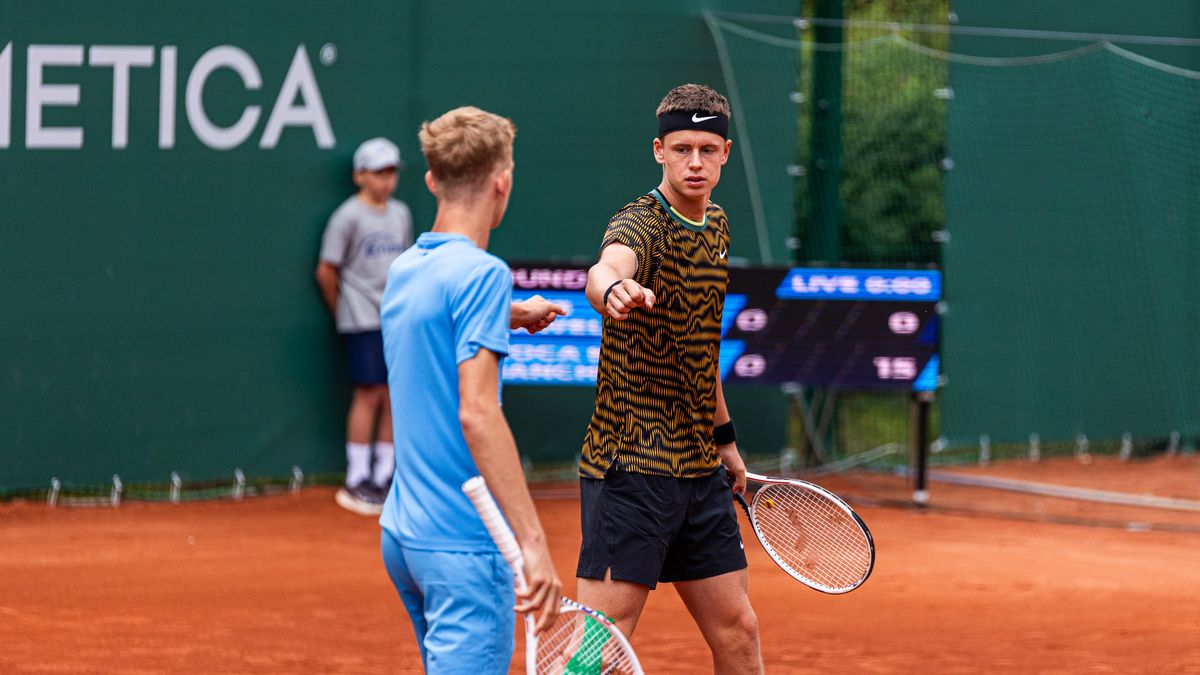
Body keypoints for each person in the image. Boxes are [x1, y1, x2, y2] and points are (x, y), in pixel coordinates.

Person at [576, 83, 765, 673]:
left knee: (738, 631)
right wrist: (613, 287)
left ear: (725, 154)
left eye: (708, 149)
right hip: (631, 469)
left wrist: (726, 442)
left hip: (699, 471)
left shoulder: (718, 227)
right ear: (659, 150)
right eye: (682, 148)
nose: (695, 163)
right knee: (599, 647)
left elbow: (700, 353)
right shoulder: (640, 223)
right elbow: (605, 265)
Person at [378, 106, 563, 673]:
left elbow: (439, 312)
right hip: (465, 546)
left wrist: (512, 314)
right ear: (502, 181)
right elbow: (478, 413)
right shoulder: (484, 274)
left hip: (404, 537)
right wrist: (532, 543)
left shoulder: (408, 266)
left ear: (433, 181)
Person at [317, 137, 413, 516]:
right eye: (378, 172)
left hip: (394, 317)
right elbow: (326, 271)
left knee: (391, 393)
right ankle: (357, 478)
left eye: (391, 172)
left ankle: (384, 476)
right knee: (368, 392)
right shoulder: (347, 217)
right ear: (360, 176)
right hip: (359, 319)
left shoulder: (401, 214)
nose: (387, 180)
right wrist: (344, 311)